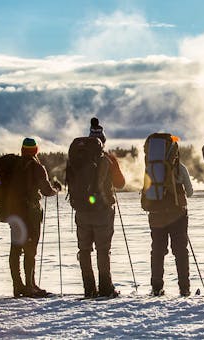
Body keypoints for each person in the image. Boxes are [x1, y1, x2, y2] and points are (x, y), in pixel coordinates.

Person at [72, 118, 125, 298]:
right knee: (103, 249)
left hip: (81, 211)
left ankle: (89, 288)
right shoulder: (108, 158)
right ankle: (105, 287)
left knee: (84, 249)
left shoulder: (77, 156)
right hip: (102, 211)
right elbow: (120, 183)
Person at [142, 134, 193, 297]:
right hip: (177, 213)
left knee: (157, 250)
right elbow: (190, 192)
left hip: (156, 213)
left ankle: (156, 287)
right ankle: (184, 288)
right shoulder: (180, 168)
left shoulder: (151, 167)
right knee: (180, 251)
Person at [9, 137, 60, 298]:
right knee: (30, 250)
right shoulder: (37, 167)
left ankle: (18, 286)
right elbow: (46, 191)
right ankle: (30, 286)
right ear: (35, 151)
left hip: (14, 213)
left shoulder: (13, 166)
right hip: (30, 214)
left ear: (22, 149)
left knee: (16, 250)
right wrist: (56, 189)